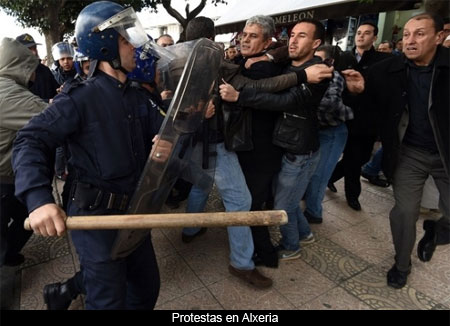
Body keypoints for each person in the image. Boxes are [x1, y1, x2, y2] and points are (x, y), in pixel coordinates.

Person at [12, 1, 164, 309]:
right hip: (94, 219)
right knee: (107, 300)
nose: (134, 46)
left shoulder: (138, 97)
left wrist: (173, 133)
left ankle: (63, 292)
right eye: (125, 40)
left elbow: (165, 129)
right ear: (105, 45)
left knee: (146, 289)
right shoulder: (78, 98)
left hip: (134, 213)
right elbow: (29, 140)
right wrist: (38, 199)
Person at [220, 19, 339, 260]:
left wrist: (239, 97)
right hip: (283, 144)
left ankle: (291, 246)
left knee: (283, 204)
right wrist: (271, 56)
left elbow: (284, 101)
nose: (294, 40)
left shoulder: (318, 72)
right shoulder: (286, 61)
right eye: (292, 35)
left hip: (298, 148)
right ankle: (304, 233)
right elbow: (283, 53)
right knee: (286, 200)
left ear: (316, 43)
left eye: (302, 36)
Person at [366, 13, 449, 289]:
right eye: (407, 35)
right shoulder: (390, 69)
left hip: (445, 154)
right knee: (403, 212)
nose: (410, 41)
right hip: (410, 153)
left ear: (439, 37)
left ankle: (436, 230)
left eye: (420, 34)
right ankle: (402, 264)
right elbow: (367, 91)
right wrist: (357, 89)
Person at [327, 21, 391, 211]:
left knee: (360, 158)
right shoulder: (344, 57)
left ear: (374, 37)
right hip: (345, 116)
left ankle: (329, 176)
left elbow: (385, 91)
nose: (361, 36)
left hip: (368, 120)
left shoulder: (382, 60)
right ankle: (352, 195)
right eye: (359, 32)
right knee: (353, 159)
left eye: (367, 33)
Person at [0, 37, 48, 267]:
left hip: (8, 177)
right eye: (32, 67)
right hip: (2, 180)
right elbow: (52, 117)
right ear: (20, 65)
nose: (35, 74)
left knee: (27, 217)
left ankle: (9, 254)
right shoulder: (8, 94)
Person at [302, 45, 358, 225]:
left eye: (319, 59)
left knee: (320, 174)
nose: (315, 63)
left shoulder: (333, 77)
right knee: (311, 172)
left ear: (330, 62)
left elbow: (330, 104)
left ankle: (314, 213)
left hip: (332, 133)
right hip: (317, 131)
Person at [15, 33, 59, 103]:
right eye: (29, 49)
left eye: (34, 48)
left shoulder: (45, 70)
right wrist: (47, 101)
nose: (34, 52)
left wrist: (61, 90)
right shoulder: (14, 75)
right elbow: (20, 102)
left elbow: (56, 90)